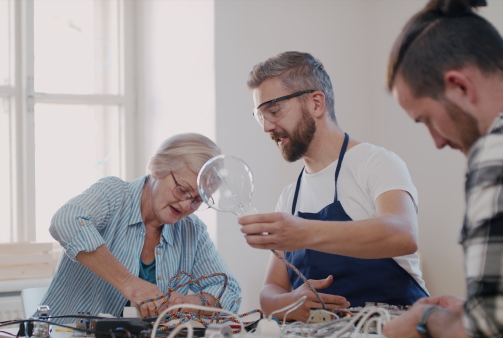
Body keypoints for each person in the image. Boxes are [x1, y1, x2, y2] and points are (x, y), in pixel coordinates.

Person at [240, 51, 429, 322]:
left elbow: (403, 234)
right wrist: (288, 301)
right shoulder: (290, 197)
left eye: (274, 110)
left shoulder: (375, 162)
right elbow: (270, 291)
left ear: (316, 103)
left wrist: (303, 232)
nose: (267, 127)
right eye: (261, 116)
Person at [382, 0, 503, 336]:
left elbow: (485, 330)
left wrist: (425, 322)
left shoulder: (494, 153)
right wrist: (471, 307)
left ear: (460, 86)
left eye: (428, 120)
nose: (436, 141)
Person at [39, 133, 242, 323]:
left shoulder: (192, 231)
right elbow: (65, 221)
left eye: (198, 200)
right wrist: (129, 283)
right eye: (182, 190)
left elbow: (229, 290)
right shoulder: (114, 195)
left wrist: (189, 304)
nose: (186, 206)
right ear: (158, 168)